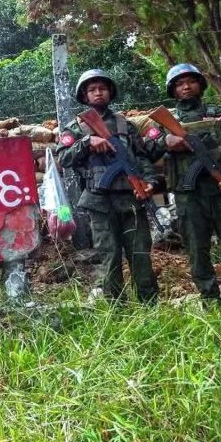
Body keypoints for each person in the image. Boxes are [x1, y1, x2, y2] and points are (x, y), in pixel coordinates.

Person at [144, 63, 221, 306]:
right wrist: (167, 141)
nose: (186, 87)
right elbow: (146, 152)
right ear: (172, 90)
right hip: (188, 196)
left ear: (200, 85)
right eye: (179, 83)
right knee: (197, 250)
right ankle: (209, 300)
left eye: (191, 81)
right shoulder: (165, 122)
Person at [55, 69, 159, 303]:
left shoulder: (125, 125)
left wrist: (150, 181)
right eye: (92, 89)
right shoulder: (76, 127)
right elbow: (63, 158)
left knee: (140, 254)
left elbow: (141, 157)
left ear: (110, 92)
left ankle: (150, 306)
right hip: (99, 202)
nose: (98, 93)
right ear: (84, 95)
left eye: (102, 88)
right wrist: (87, 143)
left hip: (131, 198)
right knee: (108, 257)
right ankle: (116, 309)